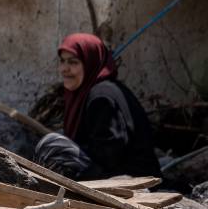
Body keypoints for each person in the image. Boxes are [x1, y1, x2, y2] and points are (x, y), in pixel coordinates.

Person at [34, 33, 160, 179]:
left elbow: (109, 155)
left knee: (51, 146)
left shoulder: (101, 97)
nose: (64, 68)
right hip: (116, 170)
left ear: (90, 63)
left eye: (73, 62)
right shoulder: (90, 92)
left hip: (132, 178)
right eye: (62, 61)